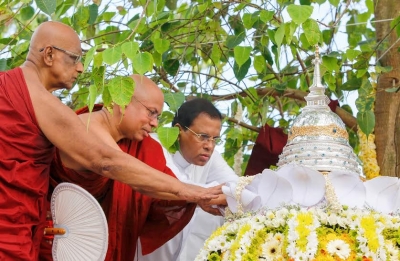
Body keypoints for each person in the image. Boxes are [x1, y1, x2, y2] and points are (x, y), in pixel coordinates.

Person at [0, 21, 221, 261]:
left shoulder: (14, 89)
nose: (81, 68)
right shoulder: (39, 100)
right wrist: (192, 192)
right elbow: (105, 160)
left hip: (24, 227)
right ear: (49, 54)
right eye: (74, 58)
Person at [39, 75, 223, 261]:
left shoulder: (142, 148)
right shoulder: (85, 126)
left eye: (157, 116)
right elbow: (113, 164)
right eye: (151, 112)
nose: (155, 123)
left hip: (96, 246)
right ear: (122, 100)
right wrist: (194, 192)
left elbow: (159, 187)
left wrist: (205, 196)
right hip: (56, 241)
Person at [136, 98, 239, 261]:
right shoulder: (154, 146)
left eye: (215, 139)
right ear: (178, 131)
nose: (210, 146)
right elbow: (173, 184)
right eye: (203, 136)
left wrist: (229, 194)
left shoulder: (209, 156)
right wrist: (215, 193)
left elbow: (237, 185)